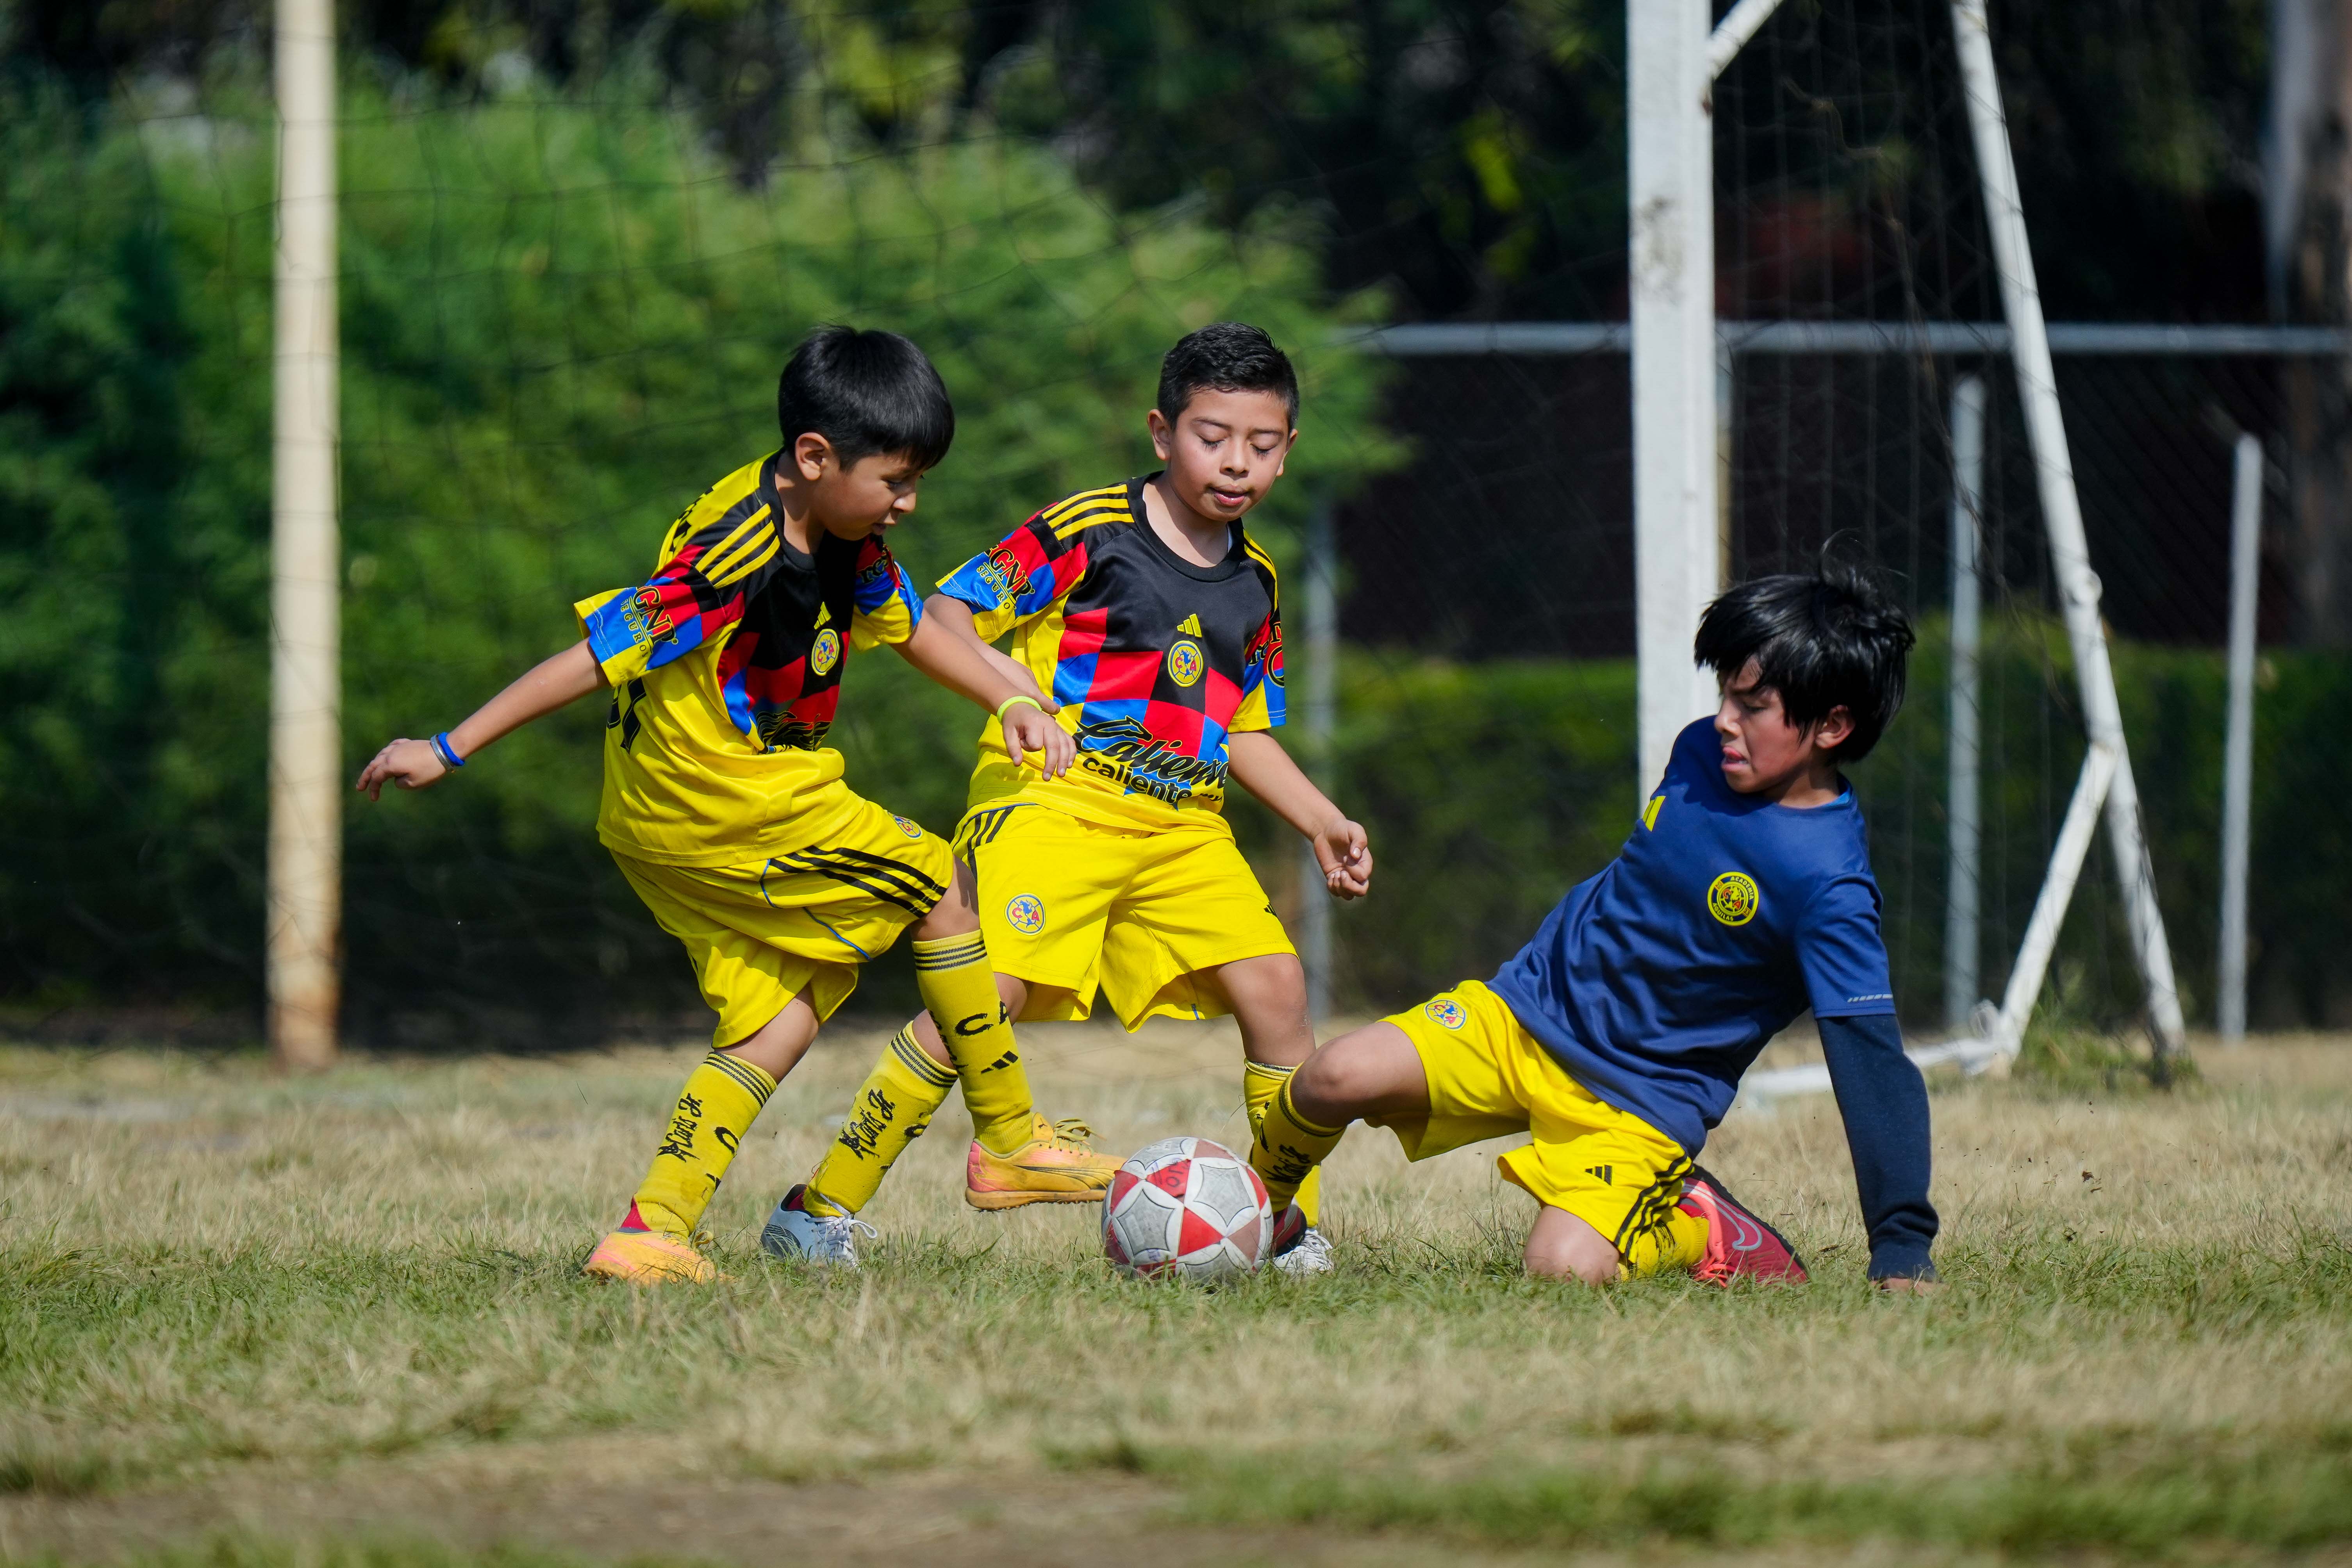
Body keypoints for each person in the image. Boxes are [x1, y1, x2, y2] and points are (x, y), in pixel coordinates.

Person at [356, 325, 1120, 1286]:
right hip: (717, 798)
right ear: (814, 456)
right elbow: (593, 658)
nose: (908, 502)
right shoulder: (738, 550)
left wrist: (1010, 695)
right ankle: (1007, 1136)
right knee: (939, 880)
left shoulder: (844, 531)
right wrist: (447, 747)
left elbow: (919, 630)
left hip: (689, 806)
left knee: (786, 1010)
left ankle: (652, 1228)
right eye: (895, 480)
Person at [766, 322, 1372, 1274]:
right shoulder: (1087, 528)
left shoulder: (1255, 583)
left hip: (1181, 832)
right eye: (1212, 436)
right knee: (984, 994)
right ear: (1160, 433)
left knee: (1278, 986)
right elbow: (948, 614)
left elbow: (1242, 728)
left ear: (1287, 450)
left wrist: (1319, 819)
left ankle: (1280, 1224)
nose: (1236, 463)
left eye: (1260, 446)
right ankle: (821, 1207)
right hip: (1053, 803)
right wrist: (1016, 697)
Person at [1248, 568, 1940, 1288]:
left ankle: (1702, 1226)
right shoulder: (1700, 754)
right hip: (1524, 1016)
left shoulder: (1829, 885)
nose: (1726, 720)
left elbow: (1870, 1064)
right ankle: (1258, 1219)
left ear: (1831, 725)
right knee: (1331, 1076)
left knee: (1562, 1269)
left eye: (1753, 705)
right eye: (1726, 695)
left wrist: (1900, 1244)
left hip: (1639, 1103)